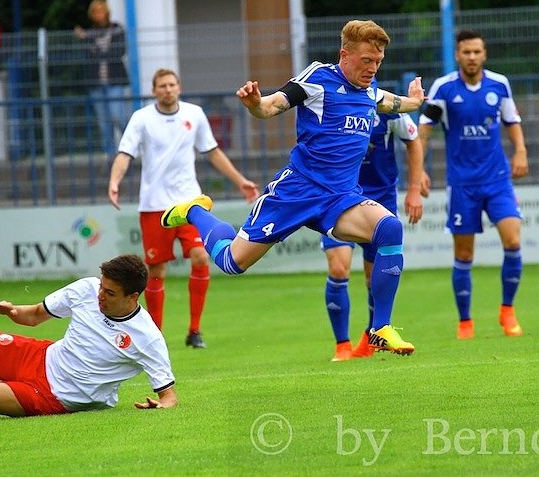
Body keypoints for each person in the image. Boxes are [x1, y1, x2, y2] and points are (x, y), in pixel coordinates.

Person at [161, 20, 425, 355]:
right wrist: (254, 103)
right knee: (231, 262)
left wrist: (415, 100)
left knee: (389, 228)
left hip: (340, 199)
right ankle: (195, 211)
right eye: (365, 61)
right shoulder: (318, 79)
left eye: (377, 62)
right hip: (297, 192)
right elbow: (271, 107)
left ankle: (380, 329)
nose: (372, 69)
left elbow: (395, 103)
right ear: (345, 55)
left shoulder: (371, 92)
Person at [0, 254, 177, 422]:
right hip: (41, 356)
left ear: (132, 297)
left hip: (51, 395)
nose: (100, 294)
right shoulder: (86, 289)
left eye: (109, 293)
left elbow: (169, 395)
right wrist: (13, 310)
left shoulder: (148, 337)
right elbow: (34, 315)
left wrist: (163, 405)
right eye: (101, 286)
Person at [108, 68, 259, 348]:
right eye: (162, 85)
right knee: (156, 272)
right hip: (154, 205)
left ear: (179, 87)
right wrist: (115, 181)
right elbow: (125, 153)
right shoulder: (141, 119)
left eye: (172, 84)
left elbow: (212, 151)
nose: (168, 89)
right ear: (154, 90)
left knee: (202, 258)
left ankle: (195, 330)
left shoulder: (194, 114)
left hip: (190, 203)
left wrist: (240, 181)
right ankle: (156, 336)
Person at [418, 29, 528, 340]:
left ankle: (507, 310)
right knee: (464, 255)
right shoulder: (444, 88)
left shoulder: (499, 84)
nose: (472, 57)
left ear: (484, 54)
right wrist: (420, 170)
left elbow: (511, 122)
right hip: (462, 184)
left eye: (477, 52)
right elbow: (424, 131)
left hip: (497, 180)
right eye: (466, 52)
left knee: (513, 241)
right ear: (458, 55)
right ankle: (465, 321)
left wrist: (520, 151)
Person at [325, 111, 425, 361]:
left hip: (378, 201)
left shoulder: (390, 109)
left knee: (373, 278)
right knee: (338, 268)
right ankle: (342, 346)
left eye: (374, 68)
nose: (369, 70)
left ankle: (372, 337)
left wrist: (414, 189)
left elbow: (414, 141)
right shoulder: (331, 105)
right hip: (338, 198)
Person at [75, 0, 130, 158]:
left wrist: (96, 50)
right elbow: (88, 54)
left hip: (114, 81)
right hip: (96, 83)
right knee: (103, 123)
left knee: (117, 116)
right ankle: (110, 157)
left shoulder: (116, 29)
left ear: (106, 12)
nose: (98, 14)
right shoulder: (89, 33)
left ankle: (129, 150)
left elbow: (118, 52)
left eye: (101, 11)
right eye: (95, 12)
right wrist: (95, 48)